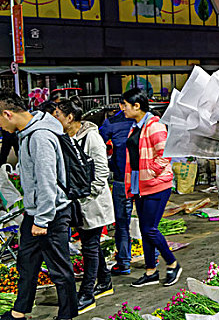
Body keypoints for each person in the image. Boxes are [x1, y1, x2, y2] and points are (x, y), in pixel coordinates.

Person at [0, 90, 77, 320]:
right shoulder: (27, 133)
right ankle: (19, 312)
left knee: (59, 270)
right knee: (27, 262)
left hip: (51, 213)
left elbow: (47, 182)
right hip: (36, 212)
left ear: (7, 113)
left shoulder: (40, 137)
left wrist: (42, 219)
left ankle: (66, 316)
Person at [55, 99, 115, 314]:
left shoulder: (92, 138)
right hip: (77, 204)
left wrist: (83, 197)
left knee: (89, 248)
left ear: (69, 118)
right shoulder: (66, 138)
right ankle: (105, 280)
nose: (54, 119)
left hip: (92, 203)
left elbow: (100, 176)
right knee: (91, 245)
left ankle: (87, 294)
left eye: (57, 115)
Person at [122, 88, 181, 287]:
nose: (123, 109)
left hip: (156, 185)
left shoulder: (154, 126)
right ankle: (151, 271)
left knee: (150, 229)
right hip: (141, 185)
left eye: (125, 105)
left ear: (137, 106)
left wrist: (152, 172)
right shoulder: (136, 126)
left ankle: (172, 263)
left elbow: (165, 153)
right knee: (144, 229)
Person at [99, 102, 135, 275]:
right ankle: (127, 261)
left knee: (124, 223)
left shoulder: (113, 122)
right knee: (128, 223)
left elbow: (98, 144)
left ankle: (125, 262)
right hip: (131, 179)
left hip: (131, 179)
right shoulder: (148, 120)